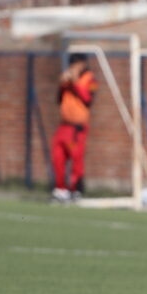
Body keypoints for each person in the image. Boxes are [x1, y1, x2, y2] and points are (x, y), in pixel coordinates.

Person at [51, 52, 97, 202]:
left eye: (76, 64)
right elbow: (58, 99)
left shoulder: (89, 78)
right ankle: (60, 189)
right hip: (64, 124)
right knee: (57, 156)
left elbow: (88, 99)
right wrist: (63, 84)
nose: (73, 67)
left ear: (82, 64)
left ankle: (75, 189)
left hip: (77, 127)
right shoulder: (68, 80)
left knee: (76, 158)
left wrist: (75, 82)